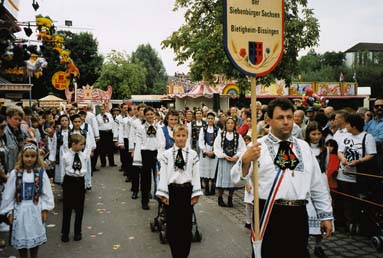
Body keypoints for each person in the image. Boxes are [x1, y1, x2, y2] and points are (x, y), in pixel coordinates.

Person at [231, 98, 333, 258]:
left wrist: (325, 215)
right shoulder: (257, 147)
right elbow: (237, 180)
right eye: (280, 117)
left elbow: (317, 185)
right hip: (268, 213)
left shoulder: (304, 147)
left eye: (289, 117)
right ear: (268, 120)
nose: (286, 122)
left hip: (298, 215)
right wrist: (245, 161)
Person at [156, 124, 203, 258]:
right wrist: (163, 194)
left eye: (183, 136)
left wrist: (196, 193)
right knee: (172, 226)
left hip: (187, 192)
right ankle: (175, 254)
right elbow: (164, 175)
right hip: (172, 192)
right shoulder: (167, 155)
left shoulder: (193, 155)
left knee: (186, 226)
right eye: (178, 136)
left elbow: (196, 174)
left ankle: (184, 254)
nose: (181, 139)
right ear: (173, 136)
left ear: (187, 137)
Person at [0, 142, 54, 258]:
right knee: (22, 237)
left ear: (37, 157)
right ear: (22, 157)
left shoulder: (40, 173)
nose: (29, 159)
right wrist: (9, 211)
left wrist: (45, 209)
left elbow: (46, 193)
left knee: (34, 235)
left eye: (33, 156)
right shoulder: (16, 173)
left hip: (35, 208)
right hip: (20, 210)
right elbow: (8, 195)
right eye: (27, 156)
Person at [337, 114, 376, 233]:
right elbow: (340, 151)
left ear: (353, 125)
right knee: (345, 200)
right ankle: (347, 223)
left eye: (347, 123)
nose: (346, 125)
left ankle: (357, 224)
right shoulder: (346, 136)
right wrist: (343, 159)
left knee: (356, 201)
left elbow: (371, 154)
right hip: (343, 173)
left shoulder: (367, 137)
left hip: (358, 175)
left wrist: (359, 161)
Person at [305, 122, 331, 258]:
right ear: (308, 135)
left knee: (320, 213)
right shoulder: (304, 148)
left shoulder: (325, 150)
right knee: (309, 215)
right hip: (307, 183)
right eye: (313, 134)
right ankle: (306, 245)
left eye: (319, 134)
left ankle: (318, 245)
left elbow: (325, 167)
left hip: (321, 182)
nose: (316, 137)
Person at [61, 134, 88, 242]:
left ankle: (78, 232)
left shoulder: (83, 156)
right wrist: (63, 185)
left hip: (80, 182)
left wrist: (84, 183)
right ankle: (65, 233)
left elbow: (85, 168)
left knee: (79, 209)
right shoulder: (66, 156)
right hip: (69, 181)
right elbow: (63, 171)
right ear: (73, 144)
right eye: (81, 144)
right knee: (67, 209)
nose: (83, 146)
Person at [214, 116, 246, 207]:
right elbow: (217, 148)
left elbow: (242, 148)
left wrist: (237, 156)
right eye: (228, 123)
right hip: (224, 161)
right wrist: (224, 156)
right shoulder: (220, 135)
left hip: (234, 162)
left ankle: (230, 199)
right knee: (222, 180)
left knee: (232, 180)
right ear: (225, 125)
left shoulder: (238, 136)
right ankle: (220, 198)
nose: (230, 125)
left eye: (232, 123)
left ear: (234, 125)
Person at [198, 111, 220, 195]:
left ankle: (213, 188)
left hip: (214, 150)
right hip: (205, 150)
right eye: (209, 118)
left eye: (212, 118)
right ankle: (206, 187)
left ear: (214, 119)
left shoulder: (218, 129)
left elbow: (218, 141)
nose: (210, 120)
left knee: (213, 169)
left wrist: (214, 151)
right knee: (206, 169)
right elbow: (201, 141)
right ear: (207, 119)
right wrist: (205, 150)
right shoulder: (203, 129)